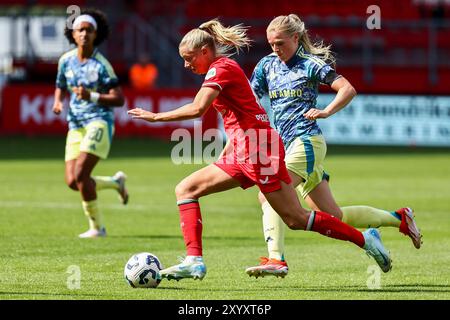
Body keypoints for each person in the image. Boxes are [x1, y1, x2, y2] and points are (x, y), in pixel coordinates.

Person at [128, 19, 392, 281]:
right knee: (186, 189)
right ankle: (194, 261)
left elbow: (199, 109)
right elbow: (245, 112)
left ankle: (364, 240)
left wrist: (155, 117)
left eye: (189, 58)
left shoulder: (221, 68)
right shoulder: (223, 69)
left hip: (259, 150)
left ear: (205, 52)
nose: (186, 65)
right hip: (245, 150)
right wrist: (228, 151)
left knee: (295, 218)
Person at [245, 14, 422, 278]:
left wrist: (326, 111)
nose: (275, 49)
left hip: (306, 142)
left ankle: (276, 259)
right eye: (271, 43)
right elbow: (249, 99)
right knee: (335, 217)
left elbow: (347, 89)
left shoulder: (311, 64)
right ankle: (399, 218)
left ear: (295, 38)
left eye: (280, 43)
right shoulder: (266, 65)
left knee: (270, 193)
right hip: (286, 147)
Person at [52, 8, 129, 238]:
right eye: (80, 30)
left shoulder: (101, 65)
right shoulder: (65, 61)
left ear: (96, 35)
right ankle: (116, 183)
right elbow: (60, 84)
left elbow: (119, 98)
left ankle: (97, 228)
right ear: (73, 34)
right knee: (73, 181)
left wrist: (91, 96)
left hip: (99, 122)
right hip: (75, 125)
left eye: (89, 30)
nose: (84, 34)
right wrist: (58, 102)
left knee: (81, 175)